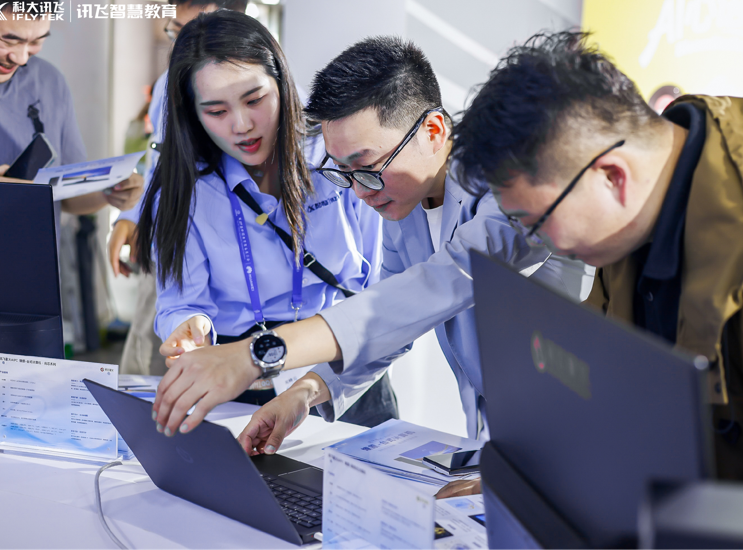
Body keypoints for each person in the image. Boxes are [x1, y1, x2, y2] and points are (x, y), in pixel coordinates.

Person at [150, 36, 586, 498]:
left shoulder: (509, 191)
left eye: (368, 166)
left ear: (433, 131)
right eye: (343, 172)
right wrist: (305, 392)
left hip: (572, 443)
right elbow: (390, 325)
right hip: (502, 445)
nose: (359, 191)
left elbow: (432, 288)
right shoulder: (405, 205)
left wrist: (256, 354)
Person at [451, 31, 743, 486]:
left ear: (612, 177)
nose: (538, 240)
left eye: (537, 222)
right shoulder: (645, 195)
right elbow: (602, 373)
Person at [134, 11, 399, 427]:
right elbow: (181, 302)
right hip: (239, 379)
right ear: (193, 114)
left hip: (342, 364)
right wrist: (190, 327)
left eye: (255, 100)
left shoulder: (335, 154)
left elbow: (382, 285)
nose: (242, 125)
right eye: (216, 111)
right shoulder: (185, 187)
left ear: (282, 83)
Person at [108, 0, 251, 376]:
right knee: (155, 361)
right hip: (177, 243)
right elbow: (160, 158)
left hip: (236, 259)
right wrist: (135, 216)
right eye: (177, 31)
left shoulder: (270, 92)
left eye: (200, 32)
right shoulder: (168, 85)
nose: (188, 47)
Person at [0, 0, 143, 218]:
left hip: (37, 242)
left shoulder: (49, 82)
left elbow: (66, 196)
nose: (21, 58)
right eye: (8, 41)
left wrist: (109, 192)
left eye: (36, 41)